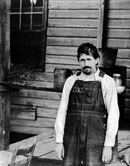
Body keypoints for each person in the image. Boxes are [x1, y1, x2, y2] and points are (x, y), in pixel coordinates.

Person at [55, 43, 119, 166]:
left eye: (89, 59)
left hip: (95, 138)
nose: (86, 64)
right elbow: (62, 112)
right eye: (82, 60)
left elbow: (113, 115)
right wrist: (59, 141)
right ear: (78, 61)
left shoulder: (107, 82)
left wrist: (108, 145)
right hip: (72, 137)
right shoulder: (71, 81)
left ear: (97, 60)